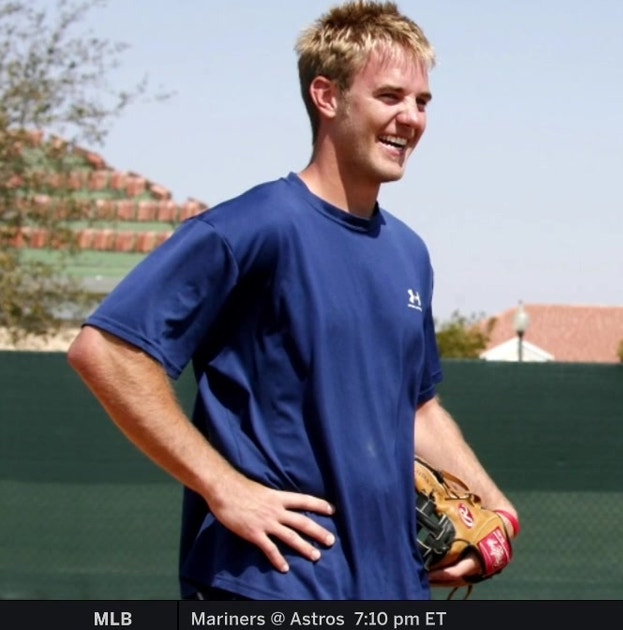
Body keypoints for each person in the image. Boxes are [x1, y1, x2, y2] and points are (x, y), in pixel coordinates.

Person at [66, 0, 518, 600]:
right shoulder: (254, 227)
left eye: (422, 102)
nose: (410, 118)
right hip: (273, 584)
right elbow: (106, 351)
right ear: (327, 97)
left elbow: (418, 410)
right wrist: (224, 487)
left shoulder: (409, 253)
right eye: (390, 97)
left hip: (394, 586)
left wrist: (497, 511)